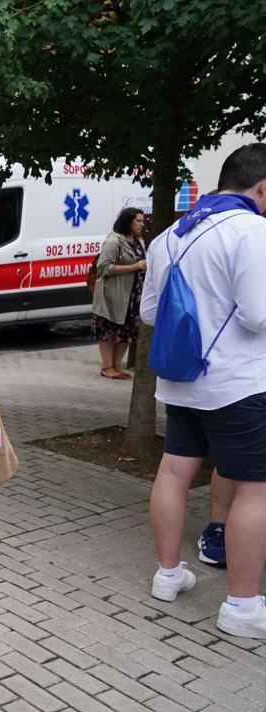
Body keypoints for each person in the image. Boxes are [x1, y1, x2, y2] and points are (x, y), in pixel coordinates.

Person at [140, 143, 266, 639]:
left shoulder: (172, 233)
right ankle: (242, 606)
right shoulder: (252, 231)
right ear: (262, 187)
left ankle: (168, 576)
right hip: (238, 384)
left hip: (181, 381)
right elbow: (258, 315)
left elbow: (150, 314)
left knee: (173, 471)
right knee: (254, 490)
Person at [91, 207, 147, 379]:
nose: (142, 224)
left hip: (134, 294)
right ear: (128, 221)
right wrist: (133, 267)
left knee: (127, 331)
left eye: (142, 220)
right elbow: (103, 267)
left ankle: (116, 366)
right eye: (138, 220)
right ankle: (107, 367)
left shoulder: (140, 241)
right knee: (109, 330)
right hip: (113, 294)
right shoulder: (114, 241)